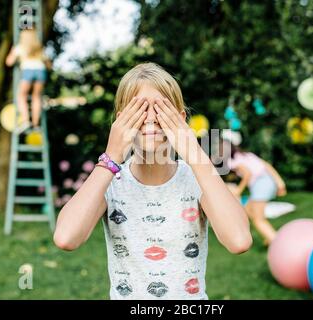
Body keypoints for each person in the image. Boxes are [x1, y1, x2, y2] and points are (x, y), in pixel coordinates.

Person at [53, 62, 252, 300]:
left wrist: (196, 155)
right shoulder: (110, 181)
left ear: (180, 118)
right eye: (138, 109)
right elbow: (66, 238)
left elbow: (239, 241)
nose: (149, 119)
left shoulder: (198, 178)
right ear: (120, 122)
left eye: (160, 108)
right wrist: (111, 157)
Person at [223, 139, 286, 246]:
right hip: (268, 181)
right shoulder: (247, 155)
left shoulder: (232, 161)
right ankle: (269, 235)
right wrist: (280, 183)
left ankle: (277, 243)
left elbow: (247, 174)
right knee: (248, 209)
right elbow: (267, 166)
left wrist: (239, 190)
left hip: (260, 184)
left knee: (258, 219)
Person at [5, 27, 51, 133]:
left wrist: (13, 51)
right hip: (40, 70)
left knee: (21, 96)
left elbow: (9, 62)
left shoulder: (20, 47)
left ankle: (26, 121)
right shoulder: (39, 48)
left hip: (28, 70)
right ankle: (35, 124)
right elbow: (49, 65)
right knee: (36, 97)